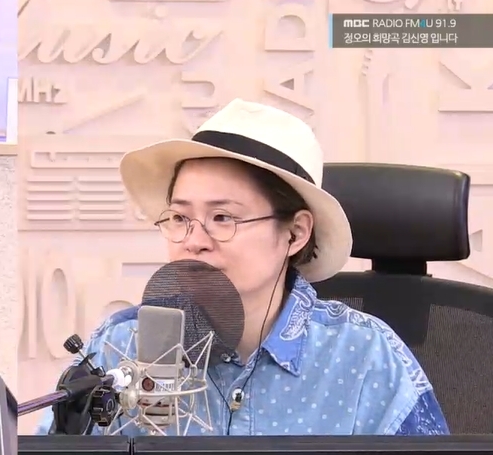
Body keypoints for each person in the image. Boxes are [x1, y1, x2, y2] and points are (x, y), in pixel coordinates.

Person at [36, 98, 449, 437]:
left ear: (295, 234)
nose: (193, 240)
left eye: (222, 218)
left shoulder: (364, 357)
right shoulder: (122, 344)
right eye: (179, 218)